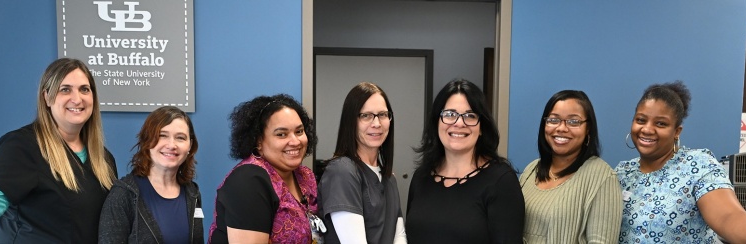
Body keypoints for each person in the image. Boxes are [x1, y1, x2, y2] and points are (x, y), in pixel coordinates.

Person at [0, 58, 117, 244]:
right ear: (47, 97)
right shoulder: (22, 147)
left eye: (84, 89)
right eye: (65, 89)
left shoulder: (104, 159)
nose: (77, 98)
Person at [615, 81, 746, 243]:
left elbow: (727, 215)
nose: (647, 129)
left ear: (676, 131)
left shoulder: (697, 165)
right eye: (641, 120)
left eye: (661, 123)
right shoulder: (622, 173)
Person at [406, 79, 524, 244]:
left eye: (470, 116)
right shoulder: (421, 177)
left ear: (482, 127)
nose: (459, 123)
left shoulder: (501, 181)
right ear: (437, 122)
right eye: (450, 114)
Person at [208, 94, 324, 243]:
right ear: (259, 141)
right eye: (282, 134)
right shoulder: (248, 181)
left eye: (299, 131)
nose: (295, 141)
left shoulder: (305, 176)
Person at [520, 90, 622, 243]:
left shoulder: (602, 177)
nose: (561, 128)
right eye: (554, 120)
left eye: (574, 121)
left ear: (588, 128)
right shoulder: (531, 169)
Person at [98, 106, 203, 243]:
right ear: (147, 141)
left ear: (190, 146)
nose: (171, 145)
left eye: (180, 138)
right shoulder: (123, 194)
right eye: (162, 135)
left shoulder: (192, 194)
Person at [319, 82, 407, 244]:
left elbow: (399, 236)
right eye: (366, 115)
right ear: (351, 121)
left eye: (382, 114)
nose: (376, 123)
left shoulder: (389, 179)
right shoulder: (342, 171)